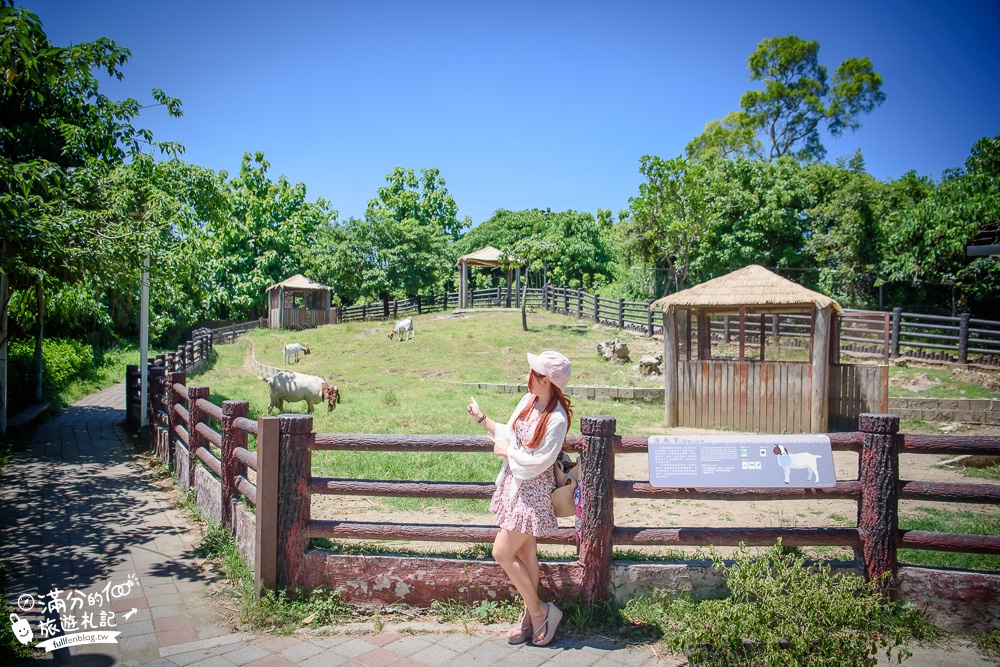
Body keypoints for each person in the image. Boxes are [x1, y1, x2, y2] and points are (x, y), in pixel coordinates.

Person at [467, 351, 572, 647]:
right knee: (526, 555)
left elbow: (540, 461)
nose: (527, 374)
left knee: (501, 552)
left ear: (545, 380)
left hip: (531, 494)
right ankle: (530, 617)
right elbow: (511, 435)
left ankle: (541, 612)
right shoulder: (529, 402)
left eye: (532, 371)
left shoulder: (557, 418)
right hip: (515, 487)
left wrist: (507, 454)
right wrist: (483, 419)